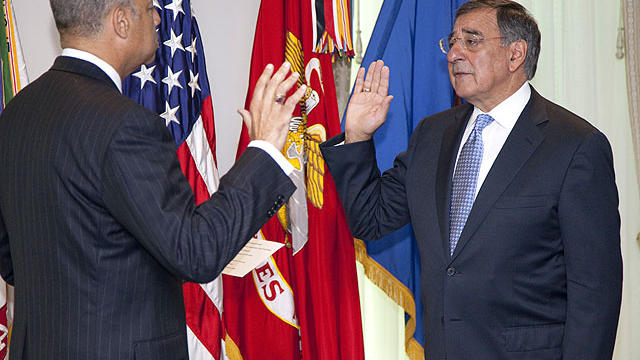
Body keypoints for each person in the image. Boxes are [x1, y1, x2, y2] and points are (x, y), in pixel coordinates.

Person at [0, 0, 307, 358]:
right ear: (121, 22)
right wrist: (264, 150)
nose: (159, 16)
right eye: (149, 7)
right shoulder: (126, 125)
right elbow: (196, 251)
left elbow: (11, 258)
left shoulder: (16, 115)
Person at [321, 1, 622, 359]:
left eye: (472, 41)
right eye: (452, 42)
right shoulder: (432, 135)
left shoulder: (574, 146)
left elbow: (595, 292)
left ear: (515, 54)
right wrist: (357, 137)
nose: (454, 54)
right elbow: (371, 218)